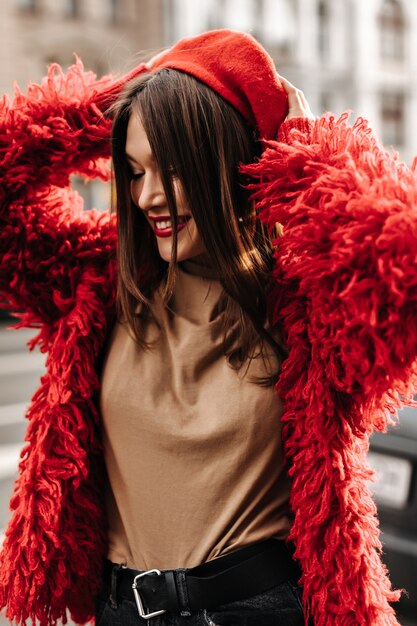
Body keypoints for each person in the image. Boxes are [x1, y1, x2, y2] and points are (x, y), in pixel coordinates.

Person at [0, 28, 416, 626]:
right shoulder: (101, 284)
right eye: (134, 171)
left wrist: (300, 153)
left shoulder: (303, 303)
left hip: (260, 609)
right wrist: (128, 100)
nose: (147, 197)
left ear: (230, 157)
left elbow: (404, 267)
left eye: (170, 167)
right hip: (120, 611)